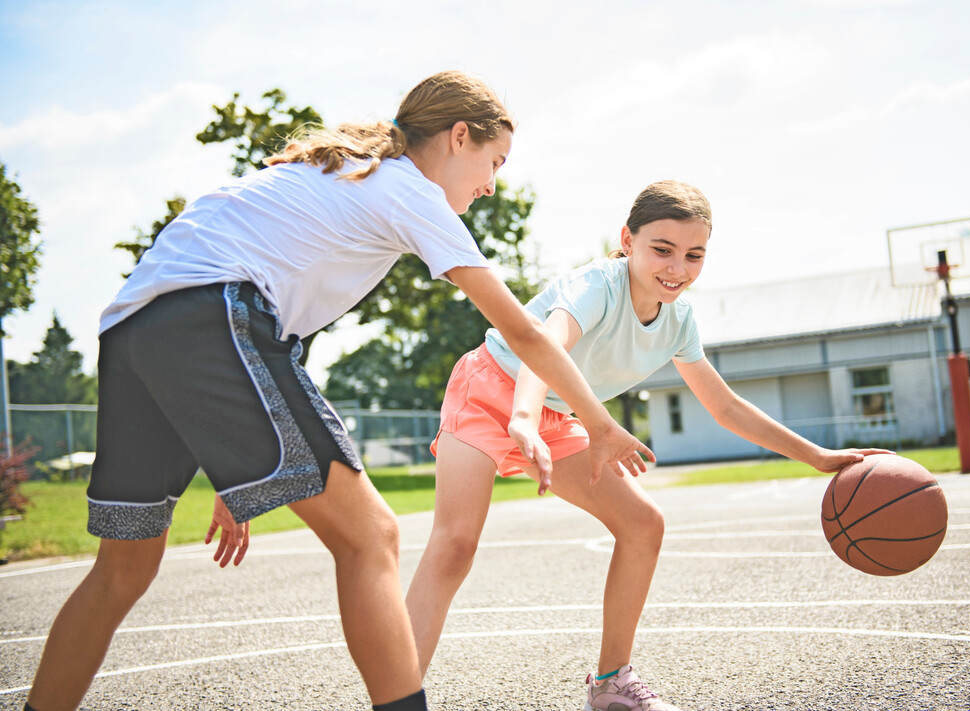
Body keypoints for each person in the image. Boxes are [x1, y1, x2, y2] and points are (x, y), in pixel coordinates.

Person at [23, 70, 651, 711]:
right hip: (213, 314)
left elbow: (263, 328)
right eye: (493, 162)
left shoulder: (346, 169)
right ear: (459, 137)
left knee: (122, 571)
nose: (491, 184)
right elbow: (521, 328)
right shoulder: (410, 191)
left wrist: (230, 454)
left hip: (134, 328)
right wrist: (600, 424)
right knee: (371, 536)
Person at [406, 180, 891, 711]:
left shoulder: (679, 321)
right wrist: (529, 417)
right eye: (662, 250)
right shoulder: (597, 285)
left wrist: (817, 457)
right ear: (627, 240)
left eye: (694, 255)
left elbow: (725, 407)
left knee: (643, 524)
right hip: (491, 388)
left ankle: (611, 683)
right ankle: (398, 697)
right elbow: (543, 345)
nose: (676, 268)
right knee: (455, 545)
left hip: (559, 412)